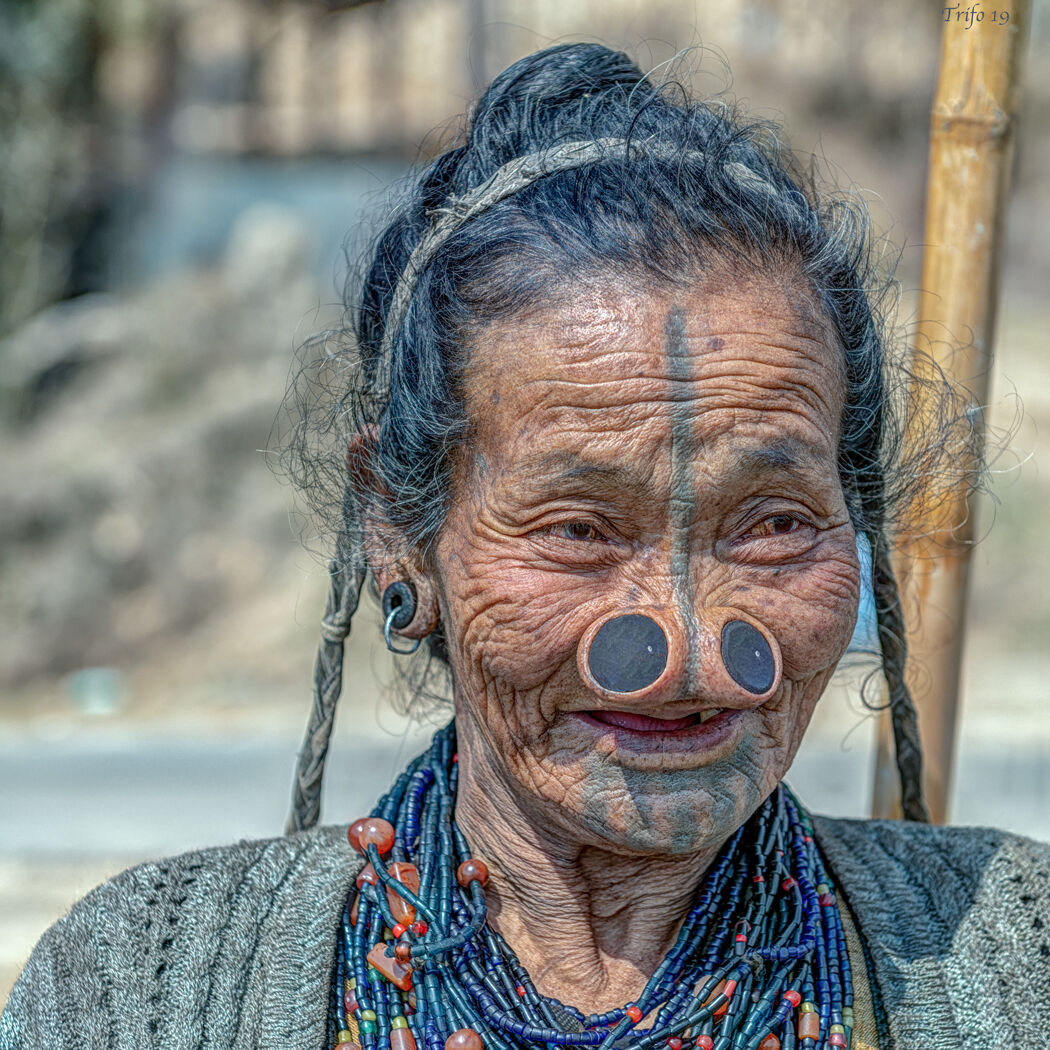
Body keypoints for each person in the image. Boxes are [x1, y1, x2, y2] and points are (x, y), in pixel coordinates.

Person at [3, 42, 1048, 1050]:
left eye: (771, 524)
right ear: (400, 533)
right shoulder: (135, 991)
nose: (687, 650)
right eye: (579, 531)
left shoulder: (1013, 965)